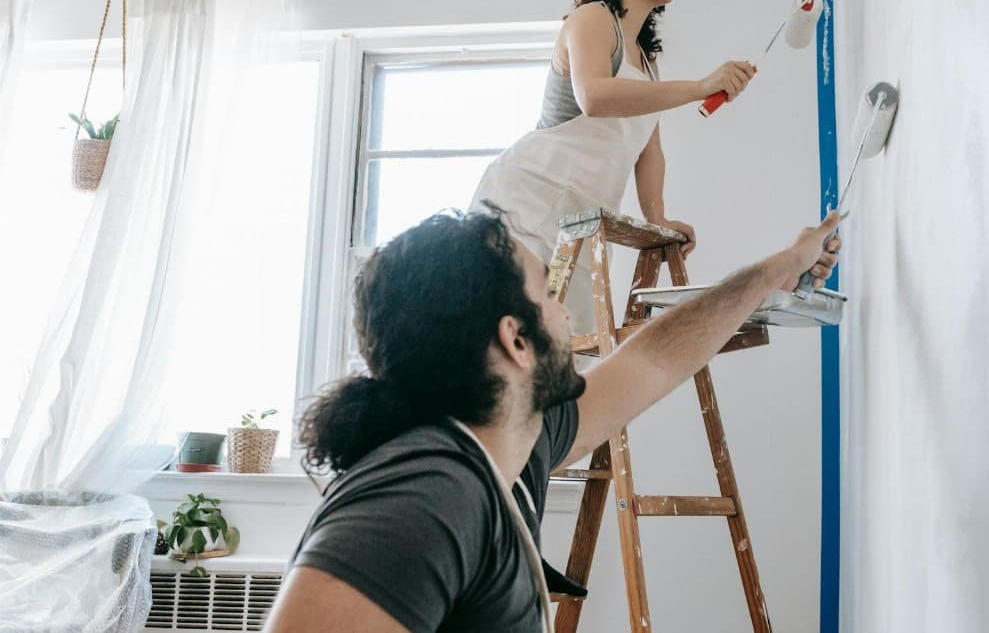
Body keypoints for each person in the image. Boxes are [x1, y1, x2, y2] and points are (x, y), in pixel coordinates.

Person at [264, 204, 841, 633]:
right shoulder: (428, 493)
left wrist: (777, 270)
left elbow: (655, 356)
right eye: (547, 294)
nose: (564, 312)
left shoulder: (515, 442)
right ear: (516, 340)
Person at [469, 0, 757, 331]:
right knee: (509, 335)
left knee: (564, 353)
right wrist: (700, 88)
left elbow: (648, 152)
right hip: (529, 205)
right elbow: (594, 96)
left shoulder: (647, 62)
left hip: (582, 225)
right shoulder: (592, 19)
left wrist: (658, 218)